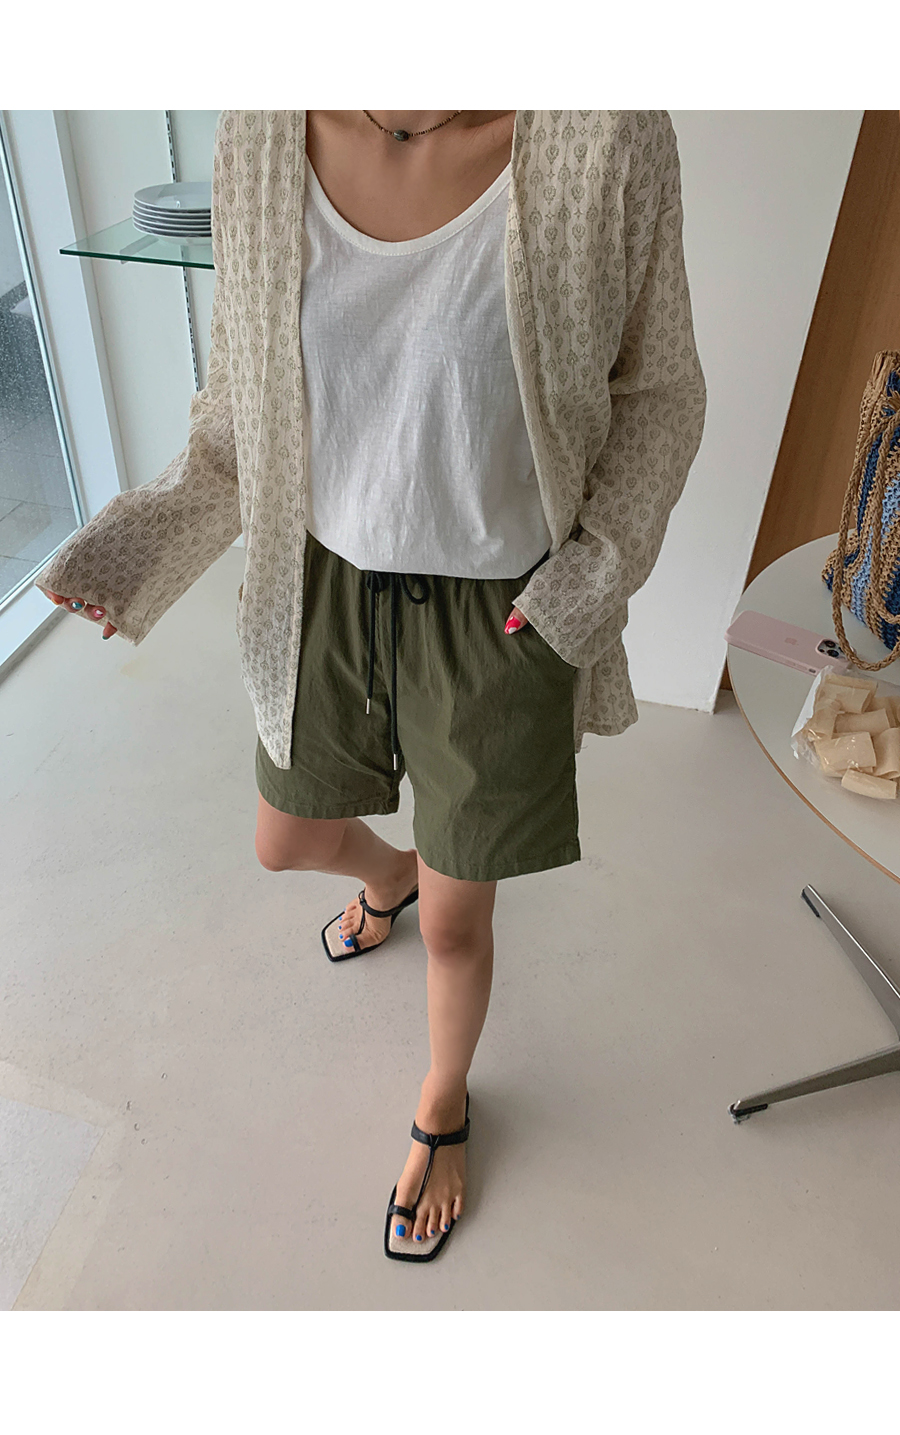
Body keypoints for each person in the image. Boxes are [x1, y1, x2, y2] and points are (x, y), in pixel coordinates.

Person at [35, 109, 707, 1263]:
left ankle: (443, 1096)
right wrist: (141, 543)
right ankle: (390, 869)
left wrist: (588, 583)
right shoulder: (263, 132)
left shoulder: (606, 136)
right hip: (321, 580)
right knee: (286, 838)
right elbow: (237, 410)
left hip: (500, 606)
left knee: (456, 920)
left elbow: (658, 393)